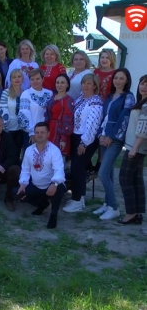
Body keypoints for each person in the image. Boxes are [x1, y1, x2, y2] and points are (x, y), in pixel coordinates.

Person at [93, 68, 135, 220]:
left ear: (126, 80)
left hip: (115, 139)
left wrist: (111, 136)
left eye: (121, 78)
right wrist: (100, 135)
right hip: (104, 136)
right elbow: (104, 117)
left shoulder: (128, 97)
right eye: (116, 78)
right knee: (108, 173)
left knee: (102, 173)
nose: (118, 81)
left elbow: (124, 118)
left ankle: (115, 207)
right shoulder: (110, 96)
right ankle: (107, 203)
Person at [63, 74, 103, 213]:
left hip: (86, 139)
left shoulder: (95, 102)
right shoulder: (81, 98)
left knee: (78, 167)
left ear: (94, 86)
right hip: (76, 135)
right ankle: (78, 197)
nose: (86, 85)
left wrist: (84, 143)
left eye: (89, 83)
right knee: (76, 167)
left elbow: (93, 124)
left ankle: (78, 200)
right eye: (84, 83)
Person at [17, 122, 67, 229]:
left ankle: (53, 215)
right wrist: (23, 183)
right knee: (17, 192)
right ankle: (43, 204)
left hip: (50, 185)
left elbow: (59, 170)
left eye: (42, 132)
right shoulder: (29, 150)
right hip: (36, 185)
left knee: (60, 187)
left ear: (48, 134)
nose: (39, 135)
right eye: (37, 132)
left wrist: (54, 183)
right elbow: (25, 170)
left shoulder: (54, 150)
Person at [118, 74, 147, 225]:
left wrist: (134, 148)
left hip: (136, 147)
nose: (143, 86)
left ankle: (130, 213)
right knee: (136, 180)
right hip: (134, 146)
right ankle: (137, 213)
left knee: (124, 179)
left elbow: (143, 129)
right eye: (142, 83)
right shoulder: (141, 102)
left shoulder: (146, 105)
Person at [18, 69, 53, 149]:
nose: (35, 81)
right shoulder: (26, 94)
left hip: (46, 132)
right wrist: (32, 132)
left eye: (37, 78)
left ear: (42, 79)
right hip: (31, 133)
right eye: (32, 79)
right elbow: (24, 113)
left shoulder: (49, 93)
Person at [0, 69, 24, 160]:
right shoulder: (6, 92)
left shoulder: (25, 93)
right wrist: (4, 128)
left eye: (19, 76)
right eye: (14, 77)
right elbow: (2, 110)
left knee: (17, 154)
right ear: (11, 79)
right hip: (8, 129)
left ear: (22, 79)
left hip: (21, 129)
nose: (17, 79)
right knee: (7, 155)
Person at [46, 73, 74, 156]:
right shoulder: (52, 97)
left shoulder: (68, 100)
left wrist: (63, 138)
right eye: (57, 82)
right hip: (50, 128)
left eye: (62, 82)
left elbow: (67, 121)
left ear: (67, 85)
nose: (59, 85)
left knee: (57, 156)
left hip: (60, 130)